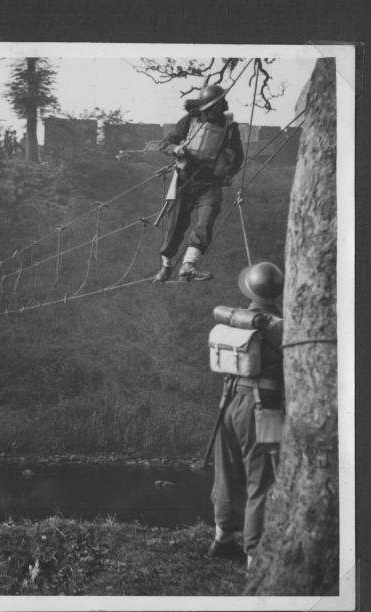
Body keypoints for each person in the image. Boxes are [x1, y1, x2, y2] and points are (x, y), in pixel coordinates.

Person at [209, 262, 284, 569]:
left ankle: (223, 539)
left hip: (228, 403)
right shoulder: (279, 327)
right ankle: (255, 556)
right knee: (261, 482)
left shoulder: (235, 319)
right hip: (261, 409)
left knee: (226, 474)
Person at [154, 85, 244, 283]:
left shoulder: (229, 128)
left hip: (210, 183)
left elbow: (238, 158)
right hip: (184, 180)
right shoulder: (188, 121)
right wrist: (176, 148)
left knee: (206, 221)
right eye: (211, 106)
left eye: (218, 106)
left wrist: (228, 171)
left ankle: (189, 265)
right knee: (175, 225)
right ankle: (166, 265)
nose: (214, 110)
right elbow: (165, 144)